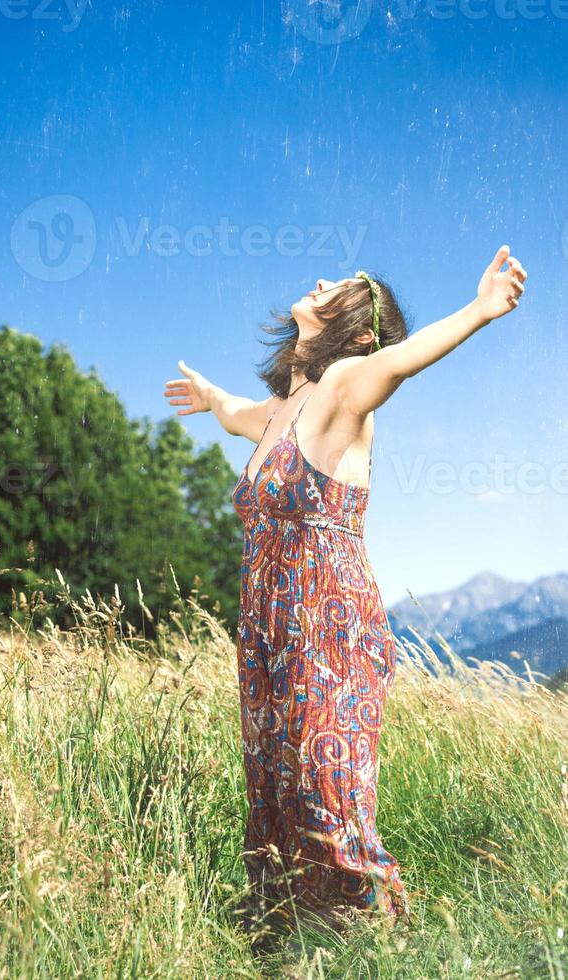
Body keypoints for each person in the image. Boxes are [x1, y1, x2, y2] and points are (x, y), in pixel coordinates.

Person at [163, 245, 527, 942]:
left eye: (346, 288)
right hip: (268, 631)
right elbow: (241, 413)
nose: (323, 280)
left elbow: (404, 357)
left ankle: (383, 941)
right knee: (276, 788)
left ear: (358, 333)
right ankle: (291, 933)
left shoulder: (346, 386)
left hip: (330, 628)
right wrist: (212, 400)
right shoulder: (282, 410)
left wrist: (480, 310)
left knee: (329, 791)